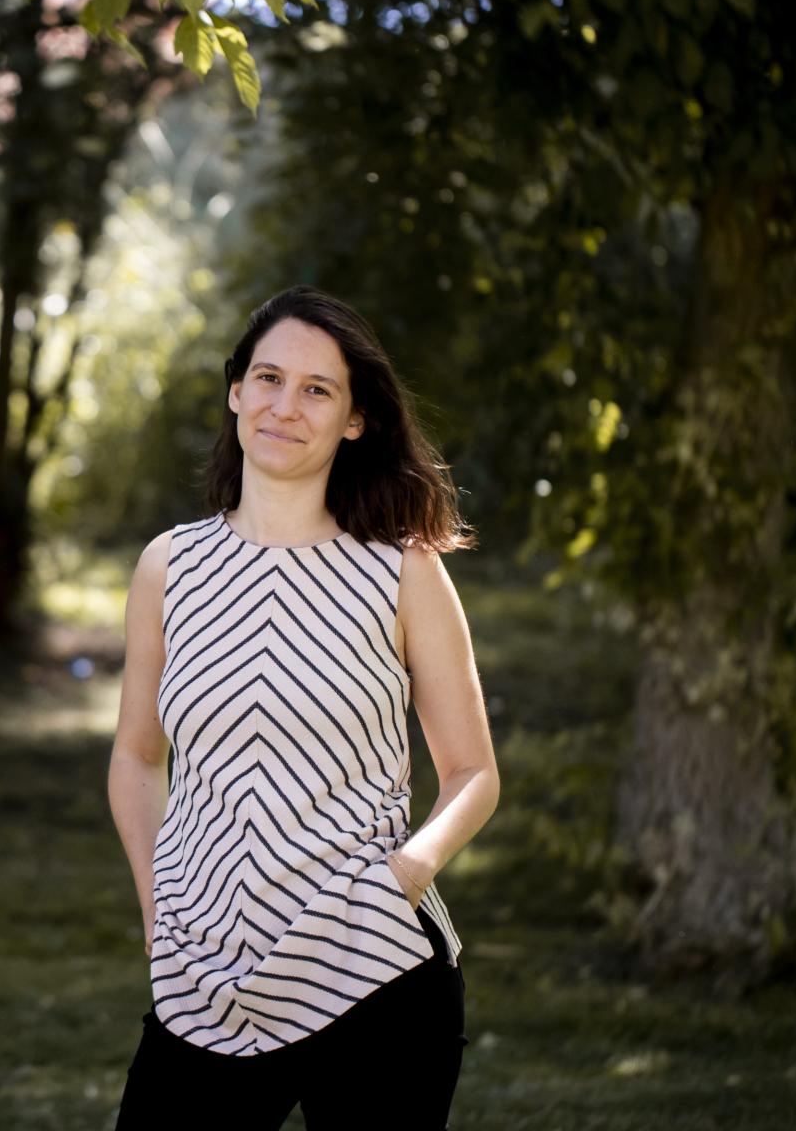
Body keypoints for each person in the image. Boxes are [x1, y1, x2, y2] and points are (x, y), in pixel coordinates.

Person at [106, 285, 501, 1130]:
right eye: (269, 379)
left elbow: (472, 774)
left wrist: (405, 877)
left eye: (318, 389)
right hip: (201, 977)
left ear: (355, 419)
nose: (287, 406)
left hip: (374, 970)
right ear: (236, 392)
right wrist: (156, 908)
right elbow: (139, 754)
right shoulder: (168, 568)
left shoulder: (402, 572)